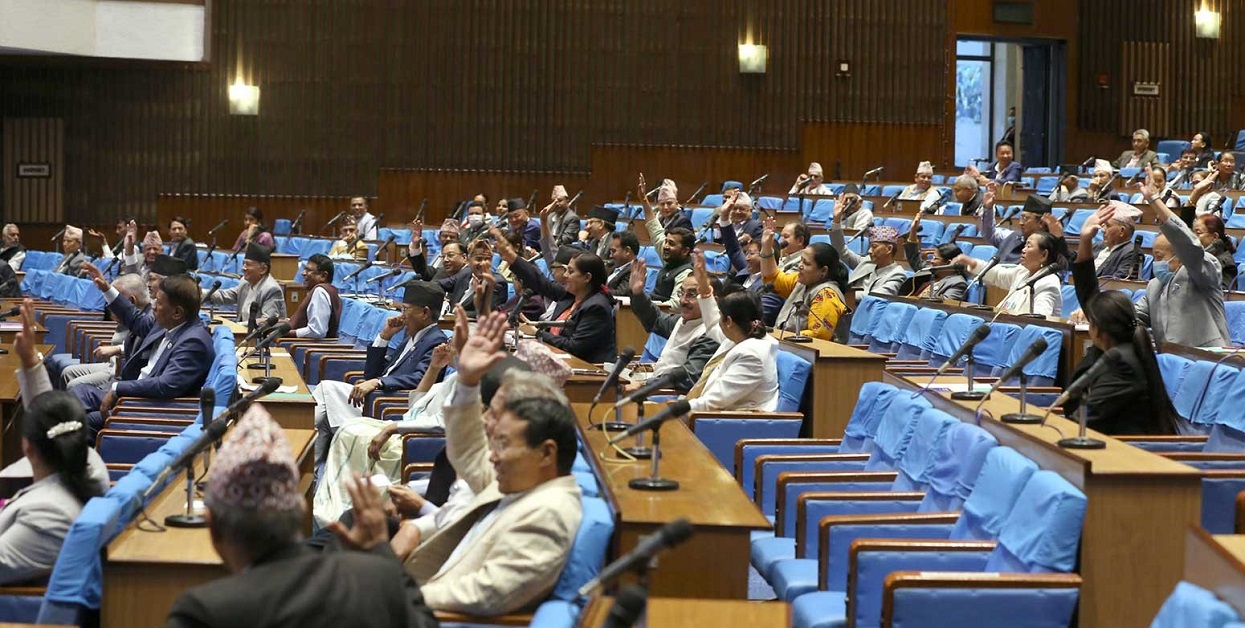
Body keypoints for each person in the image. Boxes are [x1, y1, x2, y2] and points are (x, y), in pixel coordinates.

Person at [166, 405, 438, 628]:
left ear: (214, 530)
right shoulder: (372, 581)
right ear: (301, 511)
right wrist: (381, 554)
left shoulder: (205, 612)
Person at [395, 310, 583, 615]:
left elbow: (486, 592)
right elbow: (469, 453)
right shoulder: (527, 480)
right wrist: (467, 383)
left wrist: (391, 596)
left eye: (503, 444)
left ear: (546, 453)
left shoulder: (550, 512)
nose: (491, 454)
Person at [0, 303, 106, 585]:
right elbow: (47, 413)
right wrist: (30, 362)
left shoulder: (48, 515)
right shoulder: (91, 465)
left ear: (27, 448)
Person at [1066, 207, 1183, 436]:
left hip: (1123, 453)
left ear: (1099, 329)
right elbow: (1088, 293)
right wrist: (1085, 241)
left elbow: (1083, 419)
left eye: (1091, 322)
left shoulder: (1124, 366)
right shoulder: (1113, 350)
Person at [311, 281, 449, 464]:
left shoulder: (435, 340)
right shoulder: (411, 336)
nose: (402, 316)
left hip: (389, 405)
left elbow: (420, 378)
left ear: (424, 313)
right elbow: (372, 373)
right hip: (375, 398)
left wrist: (378, 383)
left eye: (406, 310)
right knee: (323, 412)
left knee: (326, 392)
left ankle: (304, 453)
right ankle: (311, 466)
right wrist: (385, 336)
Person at [71, 271, 214, 433]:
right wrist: (107, 289)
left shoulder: (194, 342)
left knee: (86, 421)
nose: (152, 306)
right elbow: (135, 318)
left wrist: (118, 388)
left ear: (177, 312)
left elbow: (166, 385)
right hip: (133, 390)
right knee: (76, 394)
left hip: (148, 405)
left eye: (158, 303)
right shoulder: (170, 322)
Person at [499, 231, 617, 363]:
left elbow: (574, 347)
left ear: (587, 277)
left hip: (588, 372)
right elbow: (540, 282)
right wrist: (512, 258)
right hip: (558, 360)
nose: (565, 275)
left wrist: (537, 332)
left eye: (571, 271)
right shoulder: (570, 296)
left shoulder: (596, 307)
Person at [627, 255, 720, 393]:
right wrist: (638, 293)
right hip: (657, 386)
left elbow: (688, 376)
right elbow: (655, 320)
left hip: (675, 396)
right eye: (681, 293)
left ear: (712, 300)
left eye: (692, 295)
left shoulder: (712, 334)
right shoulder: (681, 321)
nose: (682, 300)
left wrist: (645, 385)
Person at [51, 272, 150, 391]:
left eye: (116, 302)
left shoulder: (148, 319)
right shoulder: (134, 316)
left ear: (132, 301)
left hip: (122, 371)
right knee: (68, 372)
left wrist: (118, 349)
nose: (112, 308)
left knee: (74, 385)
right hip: (113, 364)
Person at [686, 290, 780, 413]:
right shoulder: (738, 337)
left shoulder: (752, 355)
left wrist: (675, 410)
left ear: (729, 321)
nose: (718, 321)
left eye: (720, 316)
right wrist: (705, 292)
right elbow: (713, 326)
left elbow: (713, 402)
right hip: (709, 413)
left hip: (732, 423)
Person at [761, 216, 848, 340]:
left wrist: (780, 337)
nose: (800, 266)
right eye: (801, 261)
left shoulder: (827, 294)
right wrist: (766, 247)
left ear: (823, 271)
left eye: (806, 263)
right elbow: (772, 279)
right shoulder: (801, 281)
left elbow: (819, 335)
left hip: (812, 354)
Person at [954, 230, 1063, 317]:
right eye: (1024, 246)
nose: (1023, 250)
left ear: (1043, 255)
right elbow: (997, 275)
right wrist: (971, 262)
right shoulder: (1022, 271)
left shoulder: (1048, 283)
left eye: (1029, 246)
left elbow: (1041, 319)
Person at [831, 208, 906, 299]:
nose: (869, 251)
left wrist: (839, 294)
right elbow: (841, 251)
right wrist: (836, 222)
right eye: (870, 246)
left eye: (874, 247)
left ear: (889, 249)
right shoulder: (867, 261)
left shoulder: (897, 275)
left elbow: (874, 297)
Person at [206, 243, 287, 323]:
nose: (243, 268)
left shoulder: (271, 289)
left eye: (248, 265)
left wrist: (239, 326)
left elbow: (266, 322)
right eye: (243, 263)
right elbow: (226, 296)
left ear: (263, 269)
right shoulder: (245, 282)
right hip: (243, 331)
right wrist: (200, 293)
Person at [981, 190, 1063, 265]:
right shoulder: (1014, 235)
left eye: (1025, 218)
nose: (1021, 223)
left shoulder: (1048, 248)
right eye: (1021, 217)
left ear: (1040, 223)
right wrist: (988, 209)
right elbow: (990, 234)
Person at [904, 213, 968, 301]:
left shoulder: (957, 283)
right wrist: (913, 231)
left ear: (949, 263)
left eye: (935, 258)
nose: (931, 261)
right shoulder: (931, 272)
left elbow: (946, 305)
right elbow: (914, 259)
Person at [289, 254, 341, 339]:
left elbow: (317, 331)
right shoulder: (328, 290)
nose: (303, 273)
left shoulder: (320, 292)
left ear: (323, 276)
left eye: (309, 270)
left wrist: (289, 333)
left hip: (308, 348)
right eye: (304, 269)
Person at [1089, 200, 1141, 279]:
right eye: (1103, 225)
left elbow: (1119, 281)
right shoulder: (1096, 246)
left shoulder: (1132, 253)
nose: (1102, 229)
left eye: (1107, 225)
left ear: (1121, 231)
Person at [1192, 213, 1239, 290]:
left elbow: (1222, 294)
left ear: (1215, 236)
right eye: (1192, 232)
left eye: (1198, 233)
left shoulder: (1227, 263)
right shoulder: (1193, 254)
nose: (1193, 237)